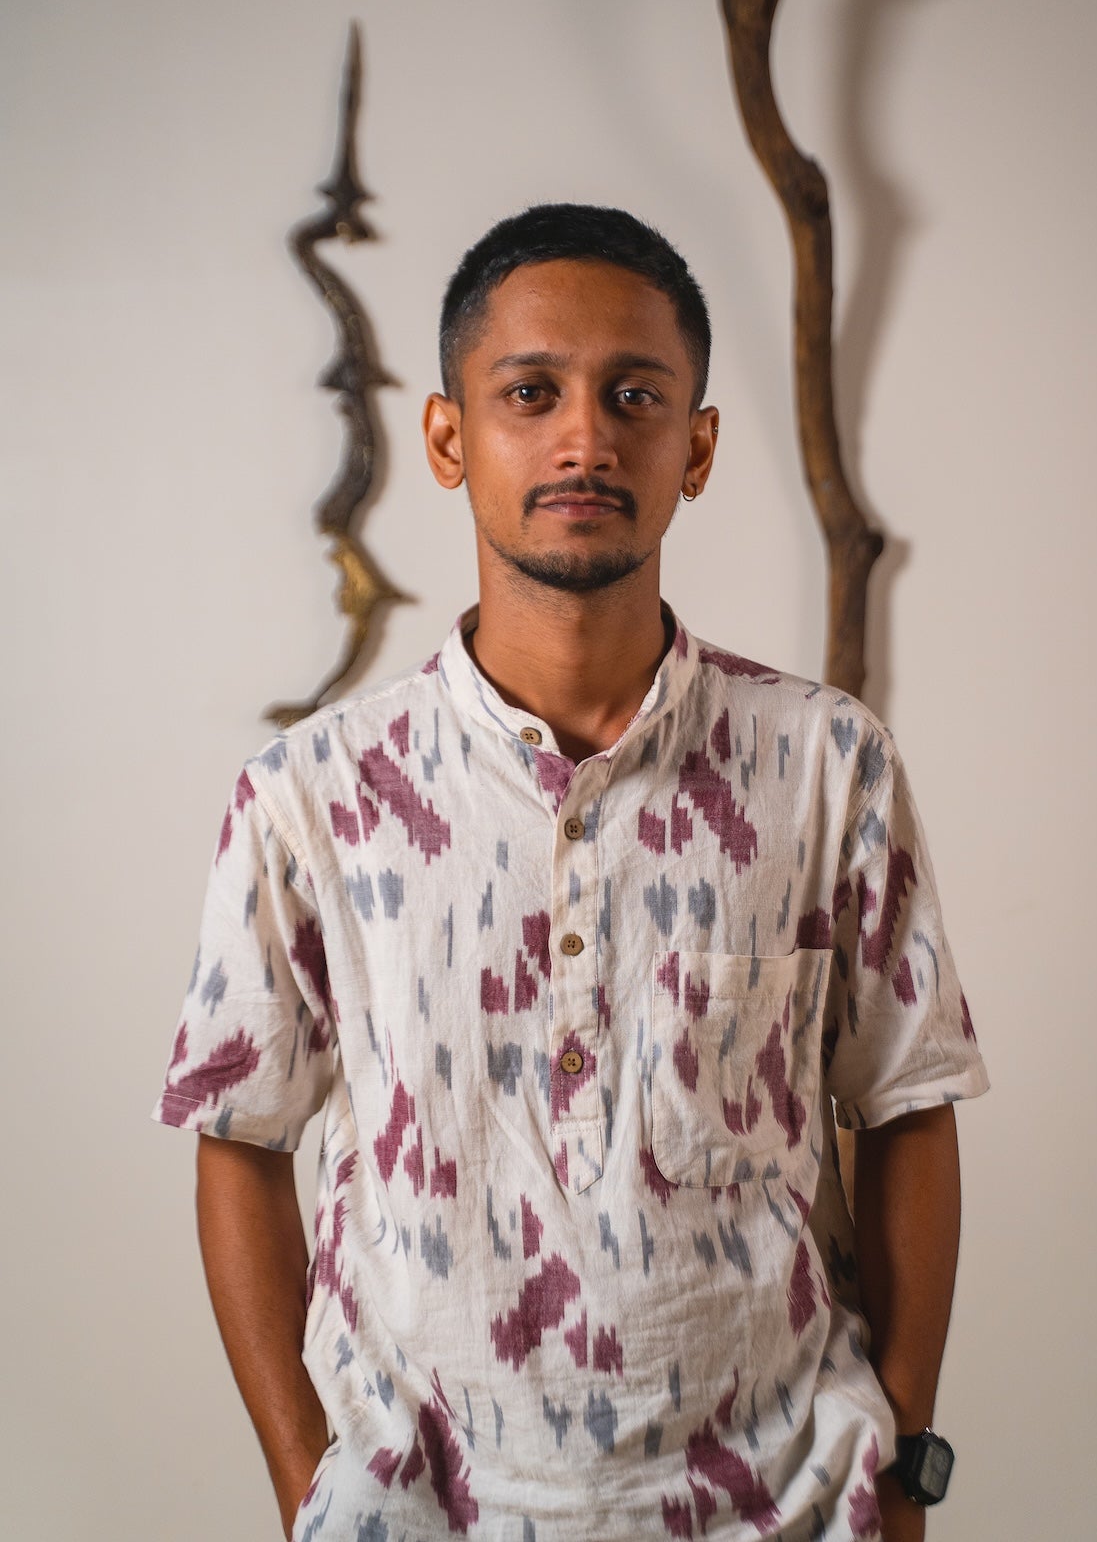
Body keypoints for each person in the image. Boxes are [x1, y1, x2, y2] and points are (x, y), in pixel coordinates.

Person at [154, 203, 987, 1542]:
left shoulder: (825, 763)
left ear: (696, 448)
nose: (585, 439)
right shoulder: (313, 796)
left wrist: (901, 1471)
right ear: (448, 438)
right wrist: (307, 1482)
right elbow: (238, 1138)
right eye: (530, 393)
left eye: (635, 396)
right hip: (422, 1514)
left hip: (783, 1505)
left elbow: (907, 1106)